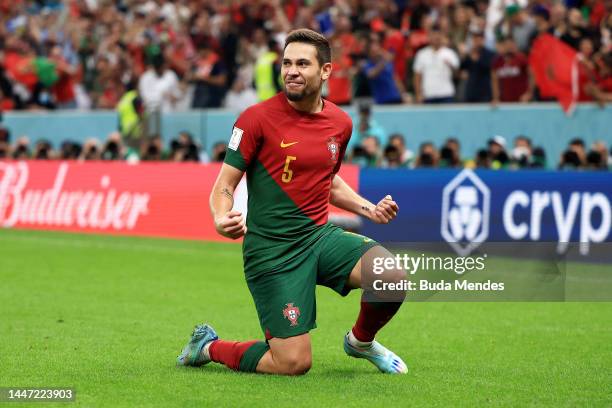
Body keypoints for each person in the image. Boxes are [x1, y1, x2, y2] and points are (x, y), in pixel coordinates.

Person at [177, 29, 408, 376]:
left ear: (326, 71)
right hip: (272, 251)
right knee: (293, 363)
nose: (291, 71)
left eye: (302, 63)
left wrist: (367, 209)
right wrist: (220, 217)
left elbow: (326, 179)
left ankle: (360, 342)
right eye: (286, 63)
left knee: (391, 276)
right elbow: (224, 183)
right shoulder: (256, 119)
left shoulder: (341, 123)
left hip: (317, 238)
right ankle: (208, 346)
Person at [413, 26, 460, 104]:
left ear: (442, 36)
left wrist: (451, 67)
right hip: (428, 95)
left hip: (446, 94)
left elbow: (457, 74)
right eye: (433, 35)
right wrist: (418, 94)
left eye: (438, 35)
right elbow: (417, 76)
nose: (436, 38)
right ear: (429, 37)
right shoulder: (422, 54)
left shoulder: (450, 53)